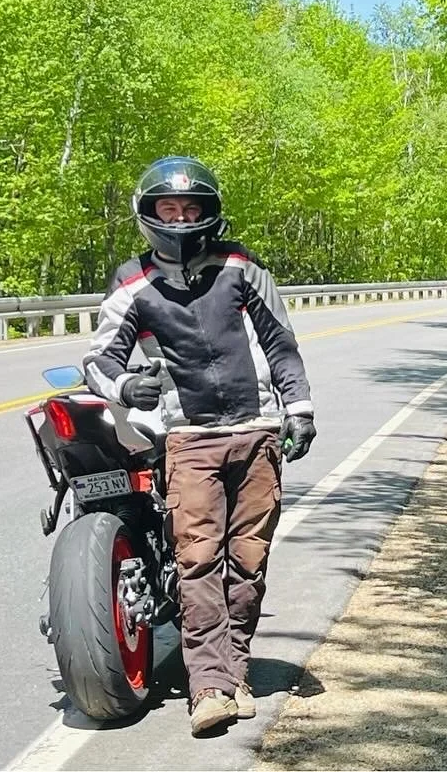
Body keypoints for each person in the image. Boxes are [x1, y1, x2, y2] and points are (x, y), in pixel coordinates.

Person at [83, 156, 317, 736]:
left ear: (209, 212)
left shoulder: (241, 266)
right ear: (149, 215)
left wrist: (301, 408)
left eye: (191, 208)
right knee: (198, 558)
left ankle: (235, 671)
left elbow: (280, 342)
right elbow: (99, 359)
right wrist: (124, 384)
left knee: (249, 559)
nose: (181, 219)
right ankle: (208, 685)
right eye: (169, 209)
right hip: (187, 438)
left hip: (258, 429)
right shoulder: (132, 282)